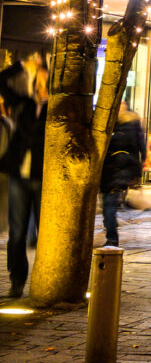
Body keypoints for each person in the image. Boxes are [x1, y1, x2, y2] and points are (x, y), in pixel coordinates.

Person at [2, 57, 46, 299]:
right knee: (17, 232)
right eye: (38, 77)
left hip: (43, 177)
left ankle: (45, 280)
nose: (40, 81)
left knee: (44, 232)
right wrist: (21, 64)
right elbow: (1, 81)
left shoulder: (56, 110)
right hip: (19, 175)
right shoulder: (24, 104)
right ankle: (17, 280)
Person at [100, 103, 146, 247]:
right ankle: (110, 229)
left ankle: (112, 237)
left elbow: (141, 145)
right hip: (110, 169)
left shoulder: (130, 123)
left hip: (118, 168)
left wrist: (139, 167)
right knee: (107, 204)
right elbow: (141, 146)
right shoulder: (109, 122)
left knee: (109, 204)